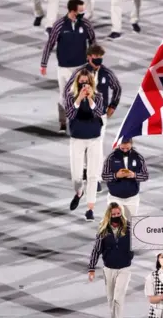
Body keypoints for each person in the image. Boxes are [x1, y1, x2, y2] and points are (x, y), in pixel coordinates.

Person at [64, 44, 121, 192]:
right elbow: (67, 90)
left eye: (100, 57)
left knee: (97, 145)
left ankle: (96, 178)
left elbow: (117, 88)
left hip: (98, 115)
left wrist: (112, 106)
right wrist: (71, 105)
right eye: (95, 57)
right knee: (81, 145)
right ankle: (84, 169)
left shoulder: (107, 73)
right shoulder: (80, 73)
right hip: (80, 113)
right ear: (89, 57)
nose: (98, 60)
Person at [41, 0, 96, 133]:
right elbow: (50, 44)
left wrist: (94, 63)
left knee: (82, 94)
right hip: (64, 67)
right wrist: (44, 63)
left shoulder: (86, 25)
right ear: (72, 11)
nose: (83, 14)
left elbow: (93, 42)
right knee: (63, 96)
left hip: (81, 68)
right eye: (80, 11)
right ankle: (62, 123)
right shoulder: (59, 25)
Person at [66, 70, 104, 221]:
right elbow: (69, 114)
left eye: (86, 83)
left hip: (94, 138)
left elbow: (99, 112)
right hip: (77, 138)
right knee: (76, 176)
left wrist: (89, 99)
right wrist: (79, 98)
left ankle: (90, 208)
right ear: (77, 83)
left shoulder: (98, 96)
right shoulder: (70, 96)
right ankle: (79, 192)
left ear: (91, 83)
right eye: (81, 83)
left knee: (93, 175)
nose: (84, 86)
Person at [88, 202, 134, 318]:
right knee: (111, 298)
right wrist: (91, 268)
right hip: (109, 268)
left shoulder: (129, 227)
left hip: (124, 268)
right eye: (113, 214)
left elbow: (140, 239)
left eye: (118, 213)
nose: (116, 215)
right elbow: (96, 249)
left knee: (118, 297)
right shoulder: (103, 229)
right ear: (109, 215)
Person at [101, 138, 148, 217]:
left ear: (131, 145)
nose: (125, 150)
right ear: (119, 144)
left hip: (132, 199)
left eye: (128, 148)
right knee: (115, 224)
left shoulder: (138, 157)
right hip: (114, 198)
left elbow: (145, 176)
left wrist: (134, 175)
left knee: (131, 224)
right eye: (123, 148)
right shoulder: (111, 158)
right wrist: (116, 175)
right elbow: (104, 176)